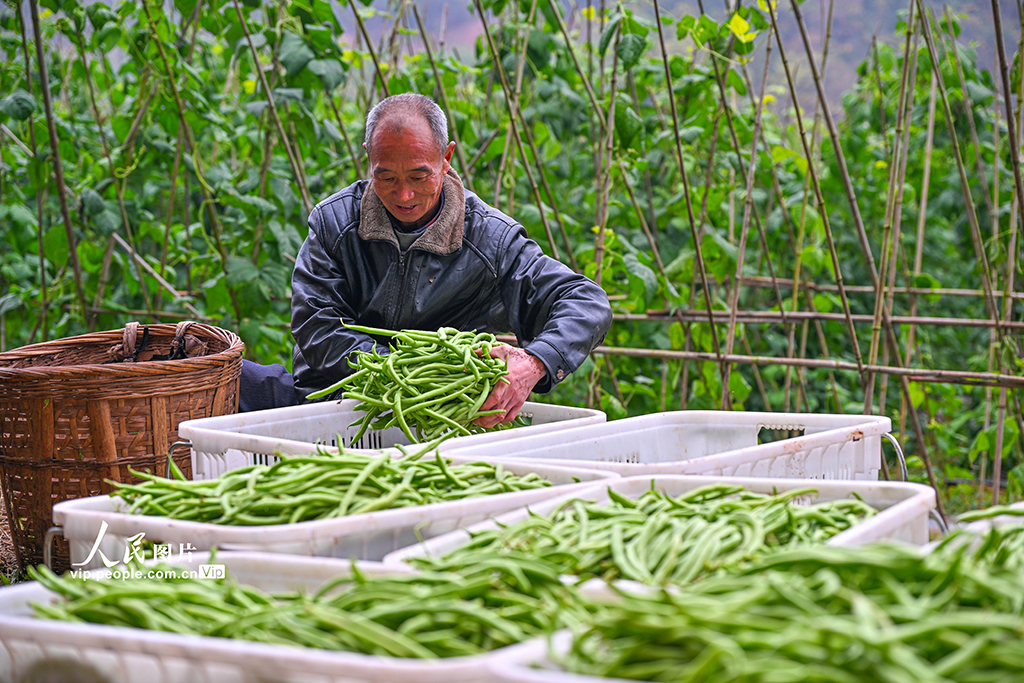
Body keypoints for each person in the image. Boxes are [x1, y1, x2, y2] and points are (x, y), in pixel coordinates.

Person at [240, 93, 611, 426]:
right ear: (368, 158)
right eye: (385, 177)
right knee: (229, 381)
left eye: (419, 176)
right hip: (331, 409)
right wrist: (414, 375)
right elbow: (318, 330)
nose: (404, 194)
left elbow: (586, 302)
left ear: (446, 158)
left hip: (442, 422)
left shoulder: (488, 240)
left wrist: (534, 362)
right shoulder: (334, 224)